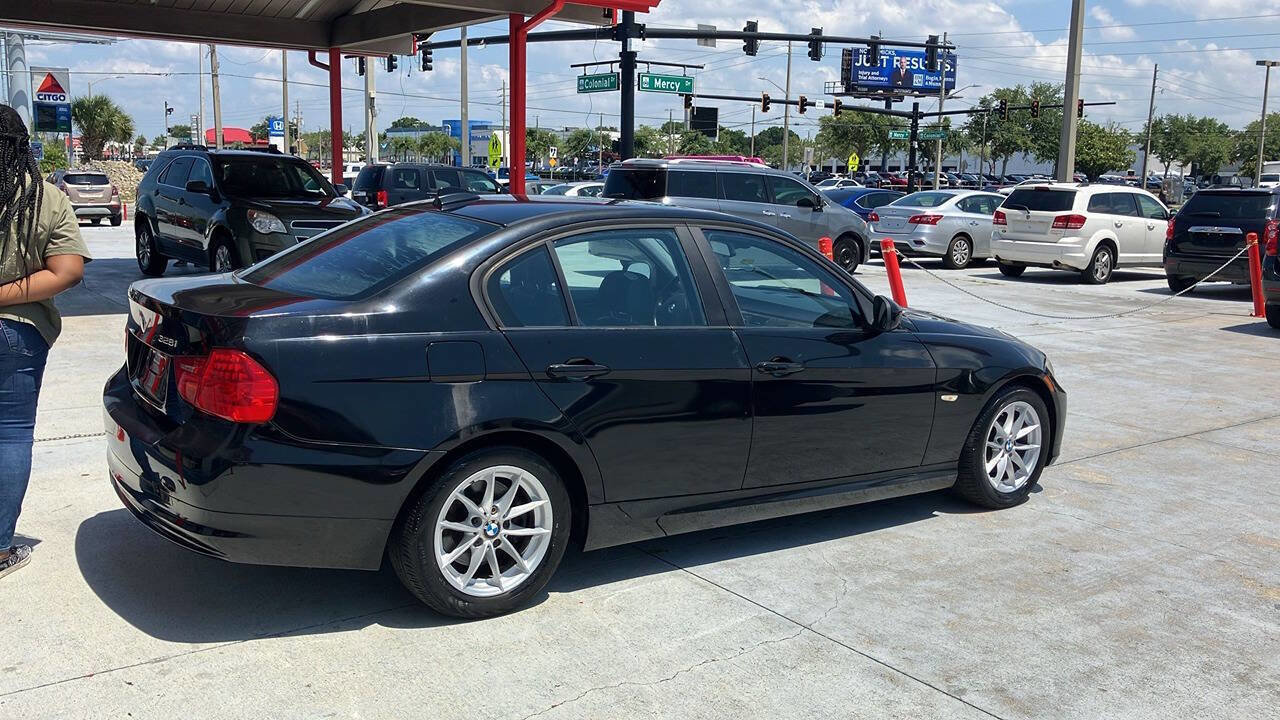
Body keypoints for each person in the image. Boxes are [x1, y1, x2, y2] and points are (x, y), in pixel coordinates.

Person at [0, 105, 90, 579]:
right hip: (18, 331)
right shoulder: (46, 199)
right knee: (10, 434)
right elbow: (68, 272)